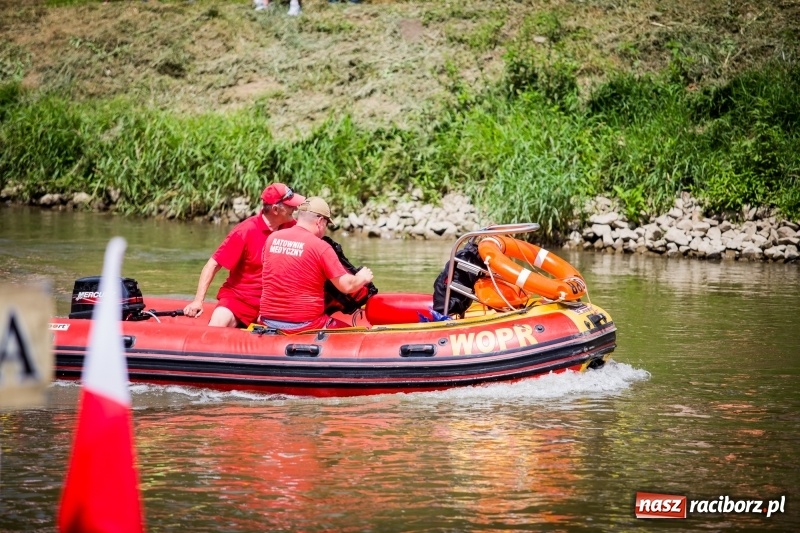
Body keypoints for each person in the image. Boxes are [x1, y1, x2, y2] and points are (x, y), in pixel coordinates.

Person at [183, 183, 305, 327]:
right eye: (290, 205)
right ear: (275, 209)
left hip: (274, 304)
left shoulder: (293, 228)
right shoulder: (245, 231)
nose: (295, 208)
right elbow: (213, 264)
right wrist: (198, 300)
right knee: (219, 322)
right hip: (240, 301)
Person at [259, 197, 373, 333]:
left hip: (268, 321)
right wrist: (362, 277)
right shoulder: (321, 247)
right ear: (320, 221)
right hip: (306, 325)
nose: (325, 229)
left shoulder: (272, 238)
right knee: (358, 336)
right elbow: (347, 286)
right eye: (326, 224)